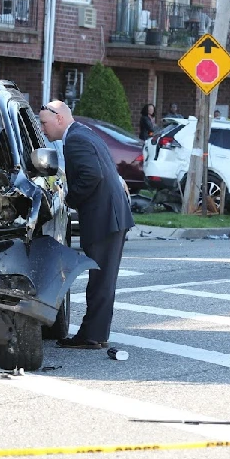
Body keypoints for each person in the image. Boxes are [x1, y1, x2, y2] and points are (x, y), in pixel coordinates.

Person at [39, 100, 135, 349]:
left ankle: (92, 336)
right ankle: (96, 333)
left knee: (101, 280)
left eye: (44, 123)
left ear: (59, 119)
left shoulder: (75, 140)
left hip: (104, 217)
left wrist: (68, 199)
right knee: (103, 279)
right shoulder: (84, 133)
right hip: (111, 215)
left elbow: (93, 175)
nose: (42, 129)